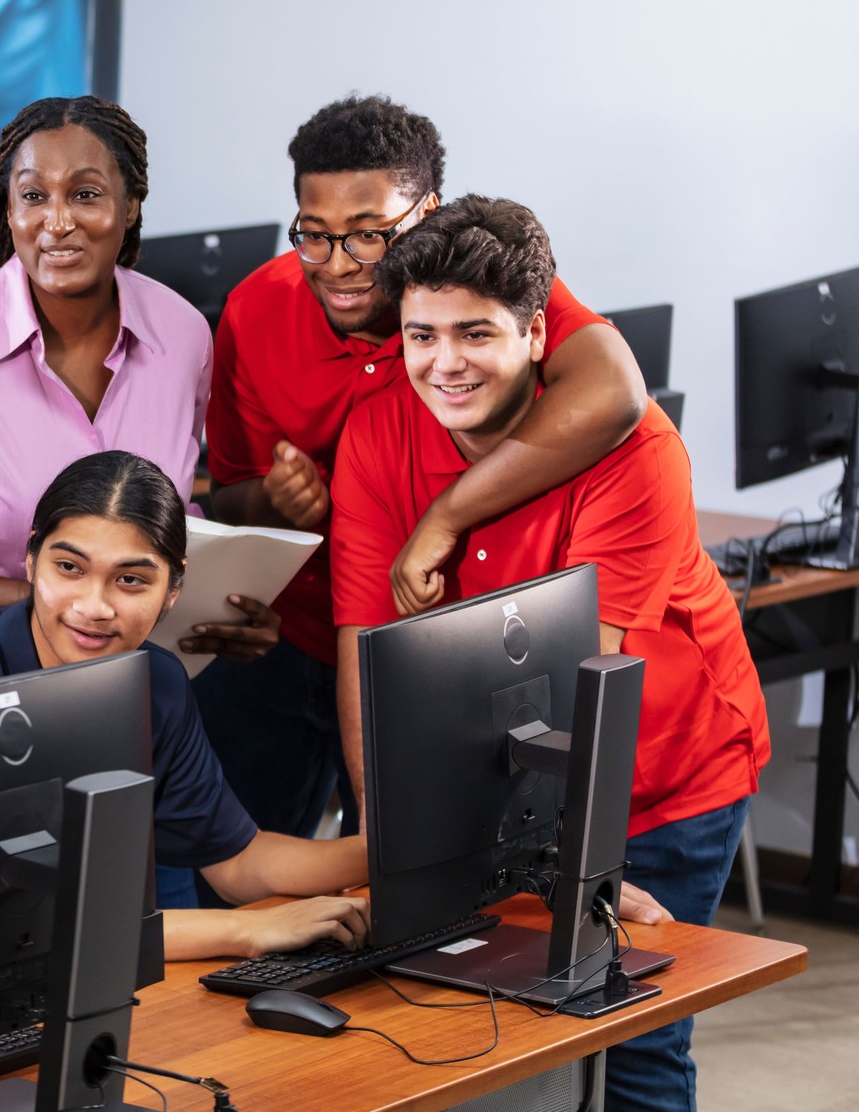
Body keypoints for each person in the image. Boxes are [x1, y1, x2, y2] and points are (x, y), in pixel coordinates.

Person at [333, 195, 767, 1111]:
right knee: (474, 1044)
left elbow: (581, 702)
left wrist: (580, 876)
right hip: (495, 785)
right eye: (421, 336)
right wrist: (392, 844)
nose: (444, 363)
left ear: (537, 333)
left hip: (659, 775)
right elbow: (364, 653)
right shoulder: (379, 431)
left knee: (632, 1044)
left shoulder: (638, 452)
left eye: (475, 334)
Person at [199, 95, 650, 840]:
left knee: (414, 868)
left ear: (425, 214)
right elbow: (228, 497)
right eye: (314, 236)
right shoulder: (255, 310)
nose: (339, 265)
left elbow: (616, 392)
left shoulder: (472, 281)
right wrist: (279, 503)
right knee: (242, 874)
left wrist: (446, 516)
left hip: (426, 638)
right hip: (289, 634)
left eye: (370, 235)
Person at [0, 96, 275, 690]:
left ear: (129, 207)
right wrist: (60, 606)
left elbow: (171, 512)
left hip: (118, 680)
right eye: (33, 196)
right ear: (8, 208)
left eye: (85, 194)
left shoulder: (182, 335)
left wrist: (213, 599)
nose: (56, 222)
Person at [0, 451, 368, 956]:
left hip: (97, 974)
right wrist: (248, 930)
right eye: (69, 568)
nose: (93, 607)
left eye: (131, 580)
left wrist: (391, 849)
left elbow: (235, 862)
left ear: (173, 589)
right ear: (31, 560)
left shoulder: (157, 681)